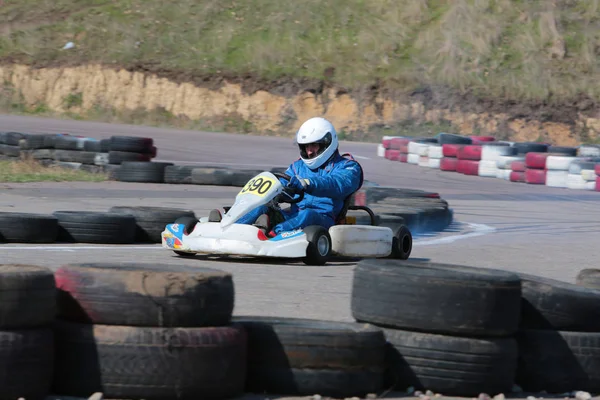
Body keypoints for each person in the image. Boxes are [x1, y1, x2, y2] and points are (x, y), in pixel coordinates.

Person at [208, 117, 364, 238]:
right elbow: (283, 183)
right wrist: (278, 191)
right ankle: (228, 227)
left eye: (314, 146)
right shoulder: (297, 167)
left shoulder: (348, 167)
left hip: (324, 219)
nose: (309, 152)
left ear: (327, 143)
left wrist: (307, 183)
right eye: (305, 147)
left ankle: (271, 235)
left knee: (308, 214)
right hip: (293, 216)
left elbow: (337, 184)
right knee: (262, 207)